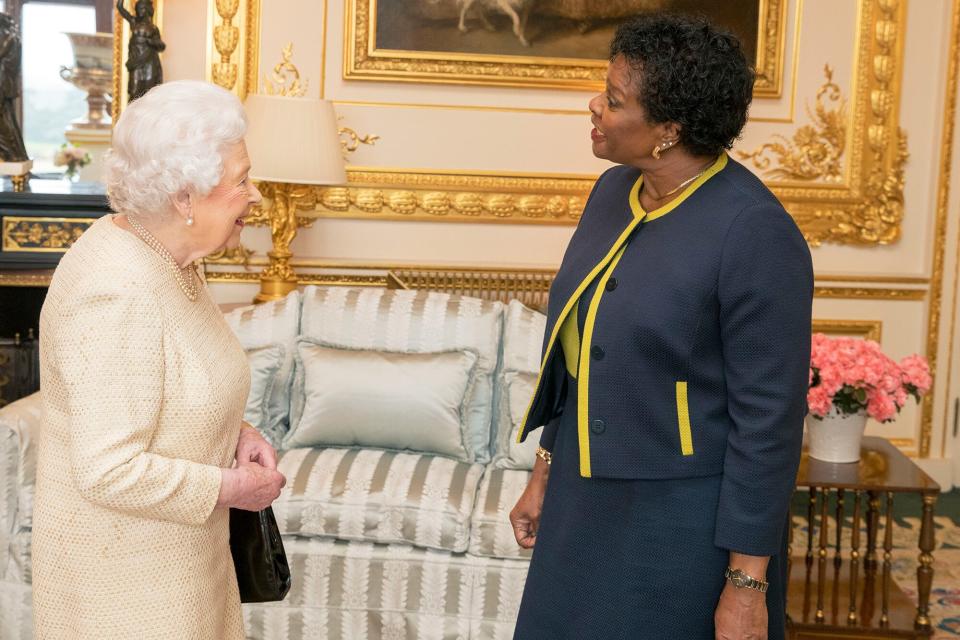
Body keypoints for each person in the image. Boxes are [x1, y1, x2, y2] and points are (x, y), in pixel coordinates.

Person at [510, 14, 813, 640]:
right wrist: (544, 471)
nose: (595, 105)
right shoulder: (611, 192)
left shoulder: (755, 232)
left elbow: (768, 426)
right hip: (579, 505)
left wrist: (747, 585)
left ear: (669, 131)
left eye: (615, 99)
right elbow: (581, 356)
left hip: (680, 531)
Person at [32, 80, 286, 639]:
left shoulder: (171, 256)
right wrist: (232, 488)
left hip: (184, 567)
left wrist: (234, 428)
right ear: (185, 198)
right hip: (124, 591)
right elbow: (109, 469)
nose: (255, 194)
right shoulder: (115, 292)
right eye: (240, 181)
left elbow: (176, 377)